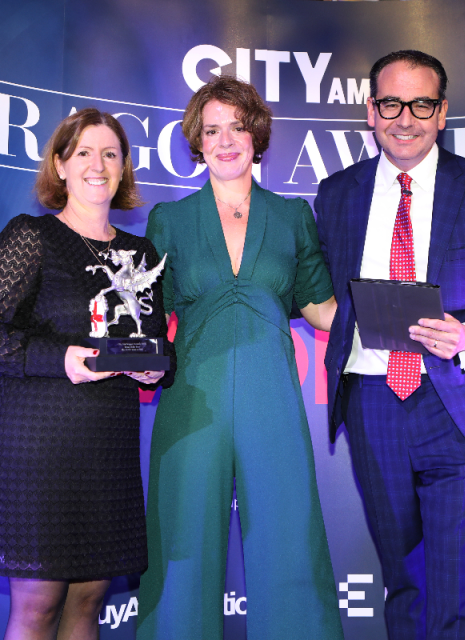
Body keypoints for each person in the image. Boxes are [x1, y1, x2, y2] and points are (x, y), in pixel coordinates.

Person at [315, 50, 465, 640]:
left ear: (442, 113)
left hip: (458, 404)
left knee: (454, 581)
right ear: (370, 111)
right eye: (390, 102)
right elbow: (320, 292)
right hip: (373, 402)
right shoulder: (335, 196)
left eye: (421, 104)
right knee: (404, 580)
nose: (404, 117)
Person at [137, 76, 344, 640]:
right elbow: (149, 318)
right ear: (196, 142)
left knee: (288, 536)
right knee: (181, 540)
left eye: (237, 126)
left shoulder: (293, 215)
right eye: (212, 130)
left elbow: (319, 306)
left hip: (270, 393)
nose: (225, 140)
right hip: (191, 398)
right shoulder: (169, 221)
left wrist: (385, 313)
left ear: (256, 135)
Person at [0, 108, 171, 640]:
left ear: (124, 167)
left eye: (110, 154)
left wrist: (155, 371)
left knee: (89, 601)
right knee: (37, 606)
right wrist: (62, 359)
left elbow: (153, 346)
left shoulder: (140, 252)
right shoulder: (32, 236)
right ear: (59, 165)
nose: (97, 165)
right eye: (83, 153)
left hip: (107, 446)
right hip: (40, 444)